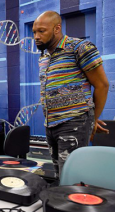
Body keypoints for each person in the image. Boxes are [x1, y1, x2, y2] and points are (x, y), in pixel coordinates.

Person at [33, 11, 109, 177]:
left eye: (41, 31)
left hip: (74, 122)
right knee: (60, 175)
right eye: (34, 32)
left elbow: (102, 85)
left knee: (72, 177)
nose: (36, 36)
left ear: (57, 28)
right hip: (51, 124)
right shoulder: (44, 56)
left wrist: (93, 119)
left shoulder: (80, 48)